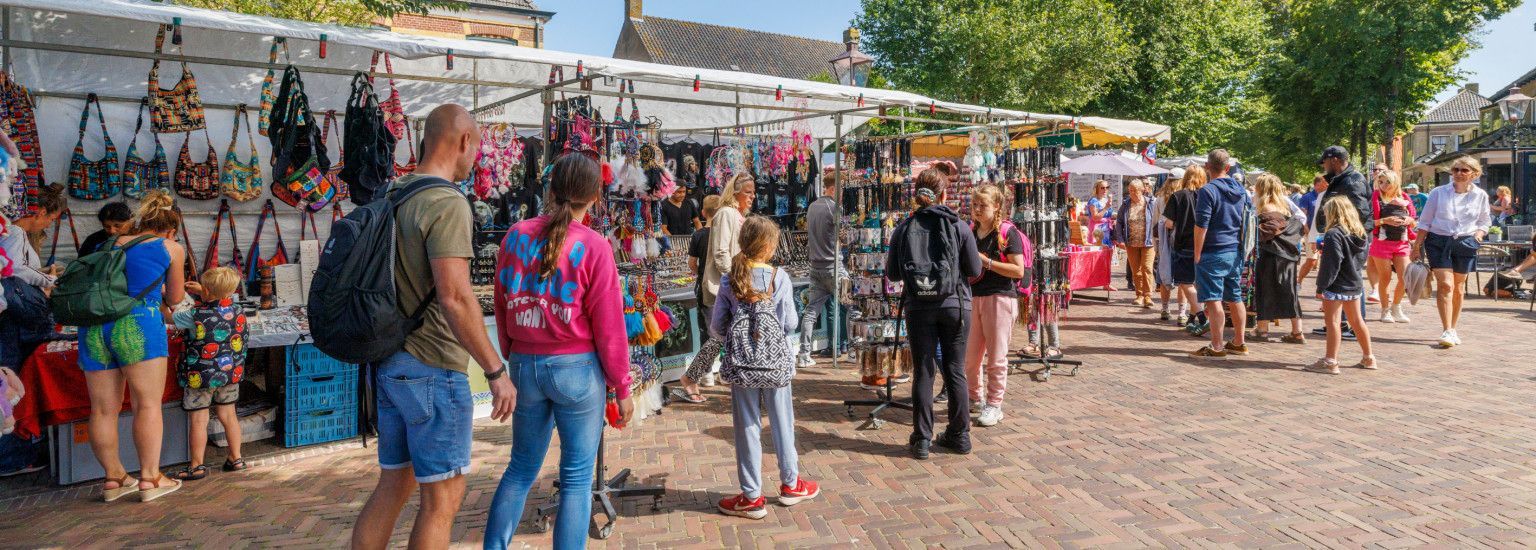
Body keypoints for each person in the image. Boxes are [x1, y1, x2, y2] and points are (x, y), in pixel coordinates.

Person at [352, 105, 516, 550]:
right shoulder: (446, 202)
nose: (476, 156)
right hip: (432, 366)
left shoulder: (394, 193)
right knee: (441, 502)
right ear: (464, 141)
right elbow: (456, 296)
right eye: (477, 145)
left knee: (392, 487)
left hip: (389, 360)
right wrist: (495, 371)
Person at [485, 153, 635, 550]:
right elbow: (610, 326)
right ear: (596, 197)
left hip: (525, 364)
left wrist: (512, 352)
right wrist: (622, 385)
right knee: (576, 479)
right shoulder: (594, 246)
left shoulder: (515, 235)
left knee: (520, 468)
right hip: (577, 369)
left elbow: (501, 301)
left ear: (551, 190)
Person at [78, 190, 187, 502]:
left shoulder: (107, 244)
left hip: (95, 327)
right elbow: (176, 298)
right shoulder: (171, 247)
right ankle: (150, 478)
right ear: (171, 227)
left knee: (101, 409)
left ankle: (114, 479)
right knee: (147, 404)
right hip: (138, 324)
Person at [711, 216, 820, 520]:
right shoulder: (779, 277)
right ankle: (790, 484)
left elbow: (717, 326)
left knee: (747, 426)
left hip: (743, 365)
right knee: (783, 421)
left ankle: (751, 496)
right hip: (775, 362)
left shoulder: (730, 278)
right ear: (770, 246)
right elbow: (790, 323)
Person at [887, 169, 982, 459]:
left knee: (924, 371)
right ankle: (959, 435)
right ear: (944, 195)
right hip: (955, 306)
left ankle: (922, 439)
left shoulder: (904, 228)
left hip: (919, 307)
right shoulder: (959, 227)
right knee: (955, 370)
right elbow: (975, 270)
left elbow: (892, 274)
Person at [0, 184, 65, 478]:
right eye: (50, 219)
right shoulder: (14, 233)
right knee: (10, 382)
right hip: (12, 321)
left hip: (10, 317)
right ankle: (10, 457)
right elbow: (13, 271)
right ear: (39, 213)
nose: (49, 225)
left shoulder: (12, 233)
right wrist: (47, 279)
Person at [169, 266, 248, 481]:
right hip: (229, 373)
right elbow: (217, 304)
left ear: (207, 292)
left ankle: (197, 466)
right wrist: (203, 291)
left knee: (199, 420)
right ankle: (236, 457)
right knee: (228, 415)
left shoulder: (194, 314)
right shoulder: (239, 310)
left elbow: (169, 317)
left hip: (199, 375)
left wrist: (161, 298)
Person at [680, 174, 752, 396]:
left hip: (732, 284)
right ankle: (692, 377)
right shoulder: (726, 214)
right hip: (725, 286)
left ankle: (717, 375)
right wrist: (734, 280)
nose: (752, 197)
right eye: (748, 192)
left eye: (753, 192)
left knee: (725, 335)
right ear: (736, 192)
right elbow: (721, 253)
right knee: (718, 336)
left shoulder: (735, 215)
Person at [963, 185, 1026, 428]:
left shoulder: (1007, 233)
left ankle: (994, 404)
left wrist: (987, 262)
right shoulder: (969, 230)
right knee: (970, 358)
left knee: (997, 357)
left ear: (997, 206)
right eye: (975, 204)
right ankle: (974, 397)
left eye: (983, 205)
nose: (977, 210)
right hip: (972, 296)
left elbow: (1018, 270)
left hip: (1000, 297)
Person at [1413, 156, 1491, 348]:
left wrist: (1479, 235)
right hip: (1438, 241)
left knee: (1458, 287)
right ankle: (1446, 329)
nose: (1459, 174)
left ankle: (1454, 328)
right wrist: (1416, 247)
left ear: (1474, 174)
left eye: (1464, 170)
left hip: (1465, 242)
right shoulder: (1438, 193)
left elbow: (1485, 221)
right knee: (1446, 285)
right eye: (1456, 170)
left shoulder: (1480, 195)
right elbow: (1425, 222)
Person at [1189, 149, 1252, 358]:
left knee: (1214, 298)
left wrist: (1197, 253)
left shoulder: (1208, 191)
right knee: (1235, 297)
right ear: (1228, 167)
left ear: (1207, 167)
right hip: (1234, 251)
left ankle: (1216, 346)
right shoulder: (1241, 191)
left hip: (1213, 251)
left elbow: (1201, 225)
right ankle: (1239, 342)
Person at [1308, 196, 1378, 374]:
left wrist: (1321, 286)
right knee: (1357, 320)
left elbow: (1332, 263)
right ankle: (1368, 357)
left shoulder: (1333, 234)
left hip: (1337, 283)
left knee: (1333, 322)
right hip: (1354, 281)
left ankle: (1331, 361)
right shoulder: (1360, 233)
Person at [1314, 146, 1373, 340]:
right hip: (1341, 235)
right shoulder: (1342, 179)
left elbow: (1361, 213)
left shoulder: (1352, 181)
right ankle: (1339, 323)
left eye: (1325, 162)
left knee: (1351, 278)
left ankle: (1356, 325)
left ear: (1335, 160)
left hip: (1348, 238)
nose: (1324, 166)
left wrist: (1344, 235)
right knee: (1343, 278)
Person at [672, 194, 721, 404]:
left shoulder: (699, 235)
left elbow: (692, 263)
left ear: (703, 212)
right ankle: (718, 370)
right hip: (723, 289)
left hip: (705, 289)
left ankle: (707, 373)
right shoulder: (723, 235)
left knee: (707, 331)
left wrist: (700, 272)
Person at [1250, 174, 1306, 343]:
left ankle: (1262, 329)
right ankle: (1297, 331)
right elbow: (1302, 219)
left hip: (1270, 254)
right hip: (1288, 254)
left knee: (1265, 290)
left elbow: (1262, 232)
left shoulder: (1264, 207)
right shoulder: (1285, 205)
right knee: (1290, 292)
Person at [798, 172, 840, 369]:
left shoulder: (812, 207)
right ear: (833, 188)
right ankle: (851, 350)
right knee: (853, 308)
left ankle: (804, 354)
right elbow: (843, 236)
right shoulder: (834, 208)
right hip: (833, 266)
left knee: (811, 312)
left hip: (815, 266)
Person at [1368, 170, 1417, 323]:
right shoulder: (1376, 196)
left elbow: (1414, 220)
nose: (1383, 185)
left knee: (1405, 277)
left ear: (1395, 182)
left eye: (1387, 182)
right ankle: (1385, 310)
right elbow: (1368, 222)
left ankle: (1396, 307)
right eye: (1381, 182)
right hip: (1381, 242)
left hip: (1402, 242)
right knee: (1385, 278)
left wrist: (1409, 220)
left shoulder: (1405, 197)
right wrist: (1385, 220)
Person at [1164, 165, 1207, 330]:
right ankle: (1191, 317)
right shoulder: (1207, 195)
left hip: (1184, 245)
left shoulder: (1178, 196)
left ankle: (1202, 318)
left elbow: (1169, 223)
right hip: (1205, 244)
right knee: (1198, 283)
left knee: (1186, 283)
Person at [1114, 178, 1158, 309]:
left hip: (1148, 242)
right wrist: (1120, 239)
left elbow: (1157, 220)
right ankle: (1139, 295)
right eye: (1130, 190)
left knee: (1147, 268)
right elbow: (1119, 222)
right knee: (1136, 271)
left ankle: (1148, 296)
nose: (1132, 193)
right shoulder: (1126, 204)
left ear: (1142, 190)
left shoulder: (1151, 203)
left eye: (1135, 190)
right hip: (1131, 242)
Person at [1153, 169, 1185, 321]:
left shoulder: (1159, 198)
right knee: (1184, 280)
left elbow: (1154, 223)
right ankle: (1182, 312)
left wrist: (1156, 245)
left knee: (1164, 275)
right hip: (1180, 241)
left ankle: (1165, 309)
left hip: (1164, 242)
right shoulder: (1184, 196)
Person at [1296, 175, 1328, 281]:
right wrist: (1307, 231)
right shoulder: (1307, 197)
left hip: (1324, 233)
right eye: (1319, 185)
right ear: (1315, 186)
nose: (1323, 186)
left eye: (1324, 184)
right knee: (1312, 260)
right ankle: (1299, 281)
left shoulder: (1327, 196)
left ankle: (1322, 287)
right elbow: (1302, 216)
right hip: (1312, 233)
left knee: (1325, 260)